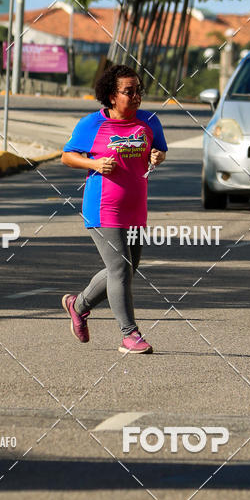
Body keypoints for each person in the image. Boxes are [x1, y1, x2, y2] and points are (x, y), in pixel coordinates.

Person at [61, 63, 167, 354]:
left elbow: (159, 150)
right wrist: (93, 163)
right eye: (128, 92)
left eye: (138, 91)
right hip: (102, 206)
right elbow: (67, 156)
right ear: (111, 96)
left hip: (135, 206)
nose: (136, 97)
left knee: (126, 268)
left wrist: (158, 156)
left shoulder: (149, 122)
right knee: (119, 268)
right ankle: (129, 334)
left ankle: (78, 305)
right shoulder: (91, 125)